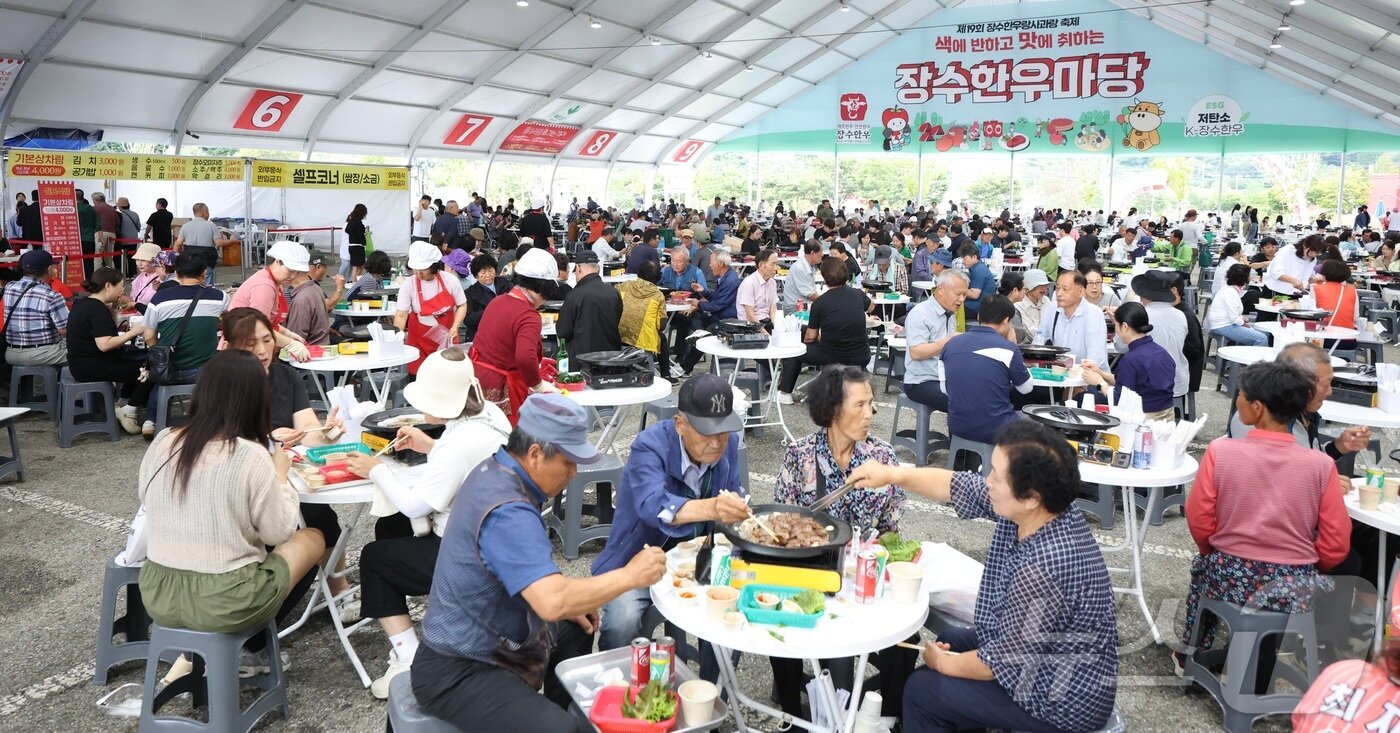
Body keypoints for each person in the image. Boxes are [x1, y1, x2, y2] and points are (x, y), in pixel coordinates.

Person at [413, 394, 666, 733]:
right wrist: (631, 575)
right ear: (534, 454)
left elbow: (525, 570)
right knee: (559, 728)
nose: (575, 474)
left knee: (576, 627)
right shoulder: (507, 508)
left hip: (496, 638)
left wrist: (565, 600)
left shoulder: (497, 469)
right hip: (460, 666)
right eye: (568, 462)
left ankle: (556, 709)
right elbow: (552, 601)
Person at [849, 421, 1118, 733]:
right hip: (1037, 655)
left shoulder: (1044, 567)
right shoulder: (1041, 507)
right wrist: (893, 475)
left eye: (995, 476)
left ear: (1031, 496)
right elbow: (956, 485)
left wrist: (943, 663)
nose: (986, 481)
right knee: (953, 639)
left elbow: (998, 664)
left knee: (922, 690)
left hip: (1060, 701)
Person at [136, 350, 327, 673]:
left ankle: (202, 656)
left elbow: (146, 497)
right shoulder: (251, 454)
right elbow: (278, 532)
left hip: (158, 592)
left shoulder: (164, 440)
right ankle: (254, 648)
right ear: (255, 399)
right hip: (226, 600)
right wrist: (280, 475)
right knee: (313, 537)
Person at [341, 349, 512, 696]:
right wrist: (429, 443)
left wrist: (375, 470)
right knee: (388, 529)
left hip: (465, 552)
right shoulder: (491, 416)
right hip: (499, 538)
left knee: (374, 558)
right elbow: (465, 462)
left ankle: (408, 658)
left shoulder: (458, 443)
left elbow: (414, 506)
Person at [1181, 361, 1351, 688]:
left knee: (1202, 570)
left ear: (1257, 408)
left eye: (1241, 396)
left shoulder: (1221, 451)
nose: (1238, 402)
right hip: (1295, 586)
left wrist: (1214, 552)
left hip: (1230, 575)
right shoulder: (1321, 465)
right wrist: (1308, 567)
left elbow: (1200, 518)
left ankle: (1192, 657)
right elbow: (1336, 541)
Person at [771, 365, 915, 716]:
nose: (869, 414)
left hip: (862, 580)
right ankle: (792, 711)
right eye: (860, 405)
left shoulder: (882, 458)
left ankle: (888, 714)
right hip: (812, 575)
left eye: (872, 405)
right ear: (833, 409)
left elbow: (891, 531)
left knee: (908, 642)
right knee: (779, 618)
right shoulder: (800, 456)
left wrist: (879, 554)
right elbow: (780, 527)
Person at [594, 374, 746, 649]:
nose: (716, 442)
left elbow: (734, 495)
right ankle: (617, 684)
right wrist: (713, 507)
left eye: (722, 430)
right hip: (639, 558)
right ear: (680, 425)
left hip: (703, 559)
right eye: (706, 432)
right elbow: (653, 506)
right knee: (622, 619)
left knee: (730, 611)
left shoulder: (729, 445)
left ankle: (714, 688)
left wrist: (738, 508)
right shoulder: (649, 445)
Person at [140, 251, 229, 437]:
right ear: (204, 273)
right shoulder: (219, 298)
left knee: (161, 375)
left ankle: (151, 420)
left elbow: (148, 336)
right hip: (204, 371)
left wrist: (160, 354)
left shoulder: (159, 299)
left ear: (177, 274)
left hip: (169, 370)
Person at [469, 248, 559, 424]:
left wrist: (537, 363)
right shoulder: (529, 315)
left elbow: (498, 344)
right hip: (504, 386)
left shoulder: (497, 301)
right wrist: (538, 385)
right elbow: (525, 357)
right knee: (507, 438)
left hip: (478, 379)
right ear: (544, 287)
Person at [940, 295, 1033, 450]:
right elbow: (1026, 388)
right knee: (1037, 427)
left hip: (958, 425)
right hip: (997, 428)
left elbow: (945, 389)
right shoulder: (1008, 348)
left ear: (978, 316)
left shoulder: (950, 344)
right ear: (1006, 321)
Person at [777, 257, 872, 403]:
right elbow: (871, 306)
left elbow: (810, 336)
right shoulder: (858, 294)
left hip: (831, 355)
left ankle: (785, 393)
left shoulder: (820, 303)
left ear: (824, 277)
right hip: (861, 354)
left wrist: (821, 335)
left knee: (796, 351)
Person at [66, 266, 147, 434]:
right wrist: (134, 332)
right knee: (150, 368)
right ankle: (129, 409)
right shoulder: (96, 309)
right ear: (108, 285)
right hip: (93, 366)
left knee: (139, 360)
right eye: (121, 285)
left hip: (80, 363)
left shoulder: (83, 303)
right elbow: (105, 344)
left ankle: (124, 405)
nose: (122, 290)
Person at [1081, 302, 1176, 420]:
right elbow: (1132, 382)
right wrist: (1100, 373)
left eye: (1116, 325)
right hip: (1168, 416)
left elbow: (1120, 399)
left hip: (1142, 418)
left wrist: (1099, 383)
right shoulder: (1161, 352)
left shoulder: (1131, 359)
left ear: (1124, 327)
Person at [394, 242, 468, 375]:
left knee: (447, 375)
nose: (418, 273)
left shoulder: (450, 280)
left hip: (447, 337)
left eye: (423, 269)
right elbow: (401, 314)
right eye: (415, 269)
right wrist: (397, 336)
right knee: (419, 375)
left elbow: (462, 305)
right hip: (419, 340)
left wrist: (455, 327)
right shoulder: (409, 284)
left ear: (434, 266)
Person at [229, 241, 312, 357]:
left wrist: (286, 333)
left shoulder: (275, 282)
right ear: (278, 261)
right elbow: (258, 327)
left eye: (297, 272)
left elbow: (268, 321)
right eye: (290, 271)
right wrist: (290, 343)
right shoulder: (265, 286)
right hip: (243, 350)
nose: (293, 276)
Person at [903, 269, 968, 413]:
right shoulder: (920, 313)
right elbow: (916, 352)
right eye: (958, 294)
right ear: (941, 290)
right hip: (921, 381)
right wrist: (948, 341)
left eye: (964, 294)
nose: (962, 299)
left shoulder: (950, 314)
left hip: (945, 378)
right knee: (961, 402)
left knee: (982, 395)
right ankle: (958, 436)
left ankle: (960, 436)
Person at [1123, 270, 1188, 400]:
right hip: (1179, 380)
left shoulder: (1142, 315)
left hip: (1150, 385)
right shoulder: (1180, 315)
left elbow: (1122, 346)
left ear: (1142, 294)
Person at [677, 250, 740, 376]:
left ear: (721, 263)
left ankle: (685, 367)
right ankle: (682, 357)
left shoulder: (730, 280)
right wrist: (703, 291)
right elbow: (717, 297)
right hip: (718, 316)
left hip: (727, 319)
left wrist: (698, 303)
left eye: (712, 262)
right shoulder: (724, 276)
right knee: (691, 319)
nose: (710, 265)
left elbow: (717, 305)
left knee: (704, 336)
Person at [3, 249, 69, 368]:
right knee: (82, 354)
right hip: (42, 353)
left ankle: (38, 386)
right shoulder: (51, 295)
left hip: (12, 352)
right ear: (49, 270)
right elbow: (64, 330)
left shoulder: (10, 288)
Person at [556, 250, 622, 363]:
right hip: (611, 358)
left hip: (581, 360)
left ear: (578, 268)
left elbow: (563, 332)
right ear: (598, 269)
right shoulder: (614, 293)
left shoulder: (574, 295)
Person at [1035, 270, 1108, 365]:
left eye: (1065, 289)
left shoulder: (1093, 314)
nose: (1059, 293)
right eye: (1057, 288)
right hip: (1059, 370)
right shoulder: (1052, 308)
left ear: (1081, 292)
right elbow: (1039, 338)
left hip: (1087, 374)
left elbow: (1096, 358)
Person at [285, 248, 344, 347]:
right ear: (318, 266)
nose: (326, 271)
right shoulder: (304, 295)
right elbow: (327, 307)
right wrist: (339, 288)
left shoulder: (312, 288)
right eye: (325, 266)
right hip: (308, 349)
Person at [1206, 263, 1269, 347]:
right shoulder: (1230, 292)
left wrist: (1244, 322)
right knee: (1262, 338)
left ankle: (1242, 353)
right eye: (1249, 275)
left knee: (1264, 331)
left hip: (1226, 323)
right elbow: (1234, 318)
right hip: (1223, 325)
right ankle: (1249, 360)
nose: (1251, 277)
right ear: (1243, 278)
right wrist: (1247, 326)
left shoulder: (1231, 289)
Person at [617, 260, 666, 361]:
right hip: (643, 340)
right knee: (663, 339)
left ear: (638, 273)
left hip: (619, 334)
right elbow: (662, 325)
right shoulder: (657, 295)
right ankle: (666, 373)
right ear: (658, 277)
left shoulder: (623, 286)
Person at [173, 203, 232, 286]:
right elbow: (219, 243)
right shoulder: (211, 226)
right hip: (207, 258)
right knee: (207, 284)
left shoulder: (185, 226)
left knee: (190, 280)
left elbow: (178, 244)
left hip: (189, 259)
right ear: (204, 212)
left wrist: (175, 259)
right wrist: (232, 241)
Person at [461, 253, 502, 342]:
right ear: (476, 275)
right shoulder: (470, 293)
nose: (488, 275)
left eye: (490, 270)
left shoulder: (504, 283)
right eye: (483, 272)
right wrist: (492, 310)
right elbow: (468, 319)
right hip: (482, 334)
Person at [736, 248, 780, 328]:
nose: (776, 268)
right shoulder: (749, 283)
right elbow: (750, 315)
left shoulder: (772, 282)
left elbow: (773, 310)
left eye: (776, 264)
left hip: (767, 322)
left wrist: (776, 328)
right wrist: (766, 335)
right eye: (772, 264)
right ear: (761, 265)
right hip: (751, 326)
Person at [1314, 259, 1359, 331]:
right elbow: (1355, 318)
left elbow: (1310, 314)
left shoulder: (1315, 288)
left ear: (1325, 274)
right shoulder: (1352, 291)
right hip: (1347, 336)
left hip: (1321, 335)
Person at [779, 240, 823, 312]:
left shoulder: (810, 266)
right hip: (793, 308)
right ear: (812, 253)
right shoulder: (800, 268)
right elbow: (811, 295)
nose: (822, 254)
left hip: (803, 306)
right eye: (821, 252)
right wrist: (828, 300)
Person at [1012, 268, 1051, 338]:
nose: (1044, 288)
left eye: (1045, 285)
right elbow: (1030, 331)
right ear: (1029, 287)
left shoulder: (1046, 300)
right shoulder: (1018, 304)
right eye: (1040, 285)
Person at [128, 242, 164, 310]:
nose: (139, 263)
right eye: (137, 260)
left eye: (143, 260)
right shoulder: (138, 278)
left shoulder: (161, 279)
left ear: (154, 261)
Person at [343, 203, 368, 281]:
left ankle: (355, 281)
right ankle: (354, 282)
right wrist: (364, 233)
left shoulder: (351, 221)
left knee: (357, 266)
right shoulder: (358, 222)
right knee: (357, 267)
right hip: (358, 247)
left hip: (352, 246)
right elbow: (359, 233)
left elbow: (347, 230)